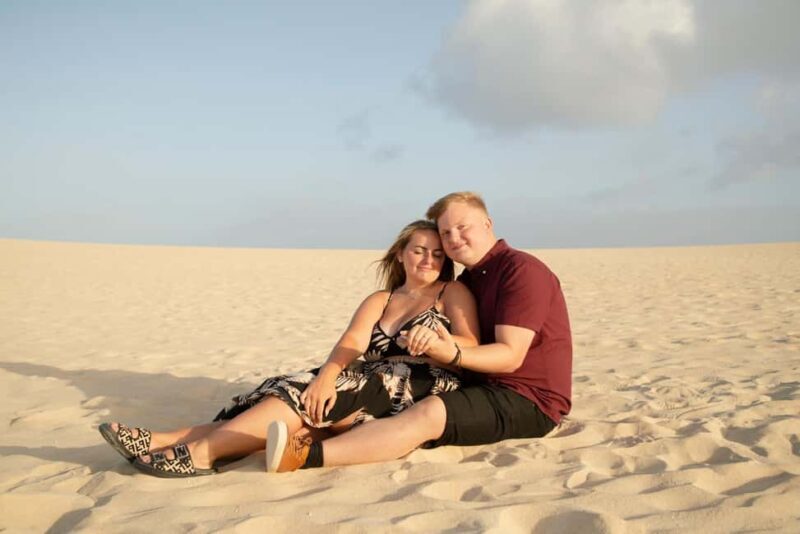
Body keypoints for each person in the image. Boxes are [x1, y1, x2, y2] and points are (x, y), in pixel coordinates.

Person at [98, 219, 479, 477]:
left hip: (422, 387)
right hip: (369, 380)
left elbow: (471, 344)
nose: (428, 260)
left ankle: (202, 454)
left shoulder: (452, 292)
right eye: (419, 251)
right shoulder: (381, 298)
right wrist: (326, 377)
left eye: (437, 254)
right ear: (400, 253)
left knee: (302, 396)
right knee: (299, 388)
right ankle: (167, 440)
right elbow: (351, 342)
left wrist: (441, 341)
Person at [267, 191, 572, 472]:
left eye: (463, 227)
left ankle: (304, 458)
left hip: (528, 399)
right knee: (376, 399)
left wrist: (448, 350)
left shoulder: (520, 270)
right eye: (446, 232)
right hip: (478, 385)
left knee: (429, 413)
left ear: (487, 223)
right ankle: (278, 437)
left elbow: (510, 357)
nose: (454, 238)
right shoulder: (470, 280)